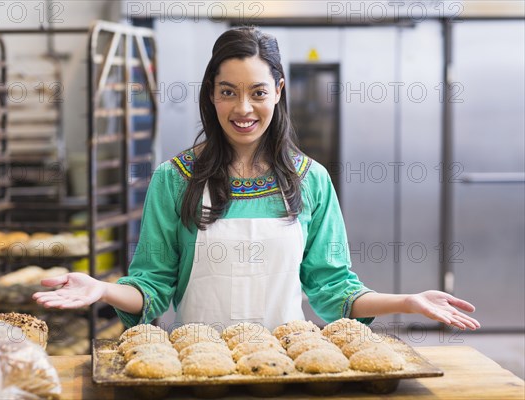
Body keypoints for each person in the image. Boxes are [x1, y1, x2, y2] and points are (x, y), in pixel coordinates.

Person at [33, 27, 480, 332]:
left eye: (258, 92)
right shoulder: (174, 179)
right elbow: (152, 286)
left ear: (279, 92)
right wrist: (103, 288)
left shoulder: (312, 180)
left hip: (287, 365)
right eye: (228, 92)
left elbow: (334, 290)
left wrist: (405, 302)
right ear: (211, 93)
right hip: (198, 368)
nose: (243, 108)